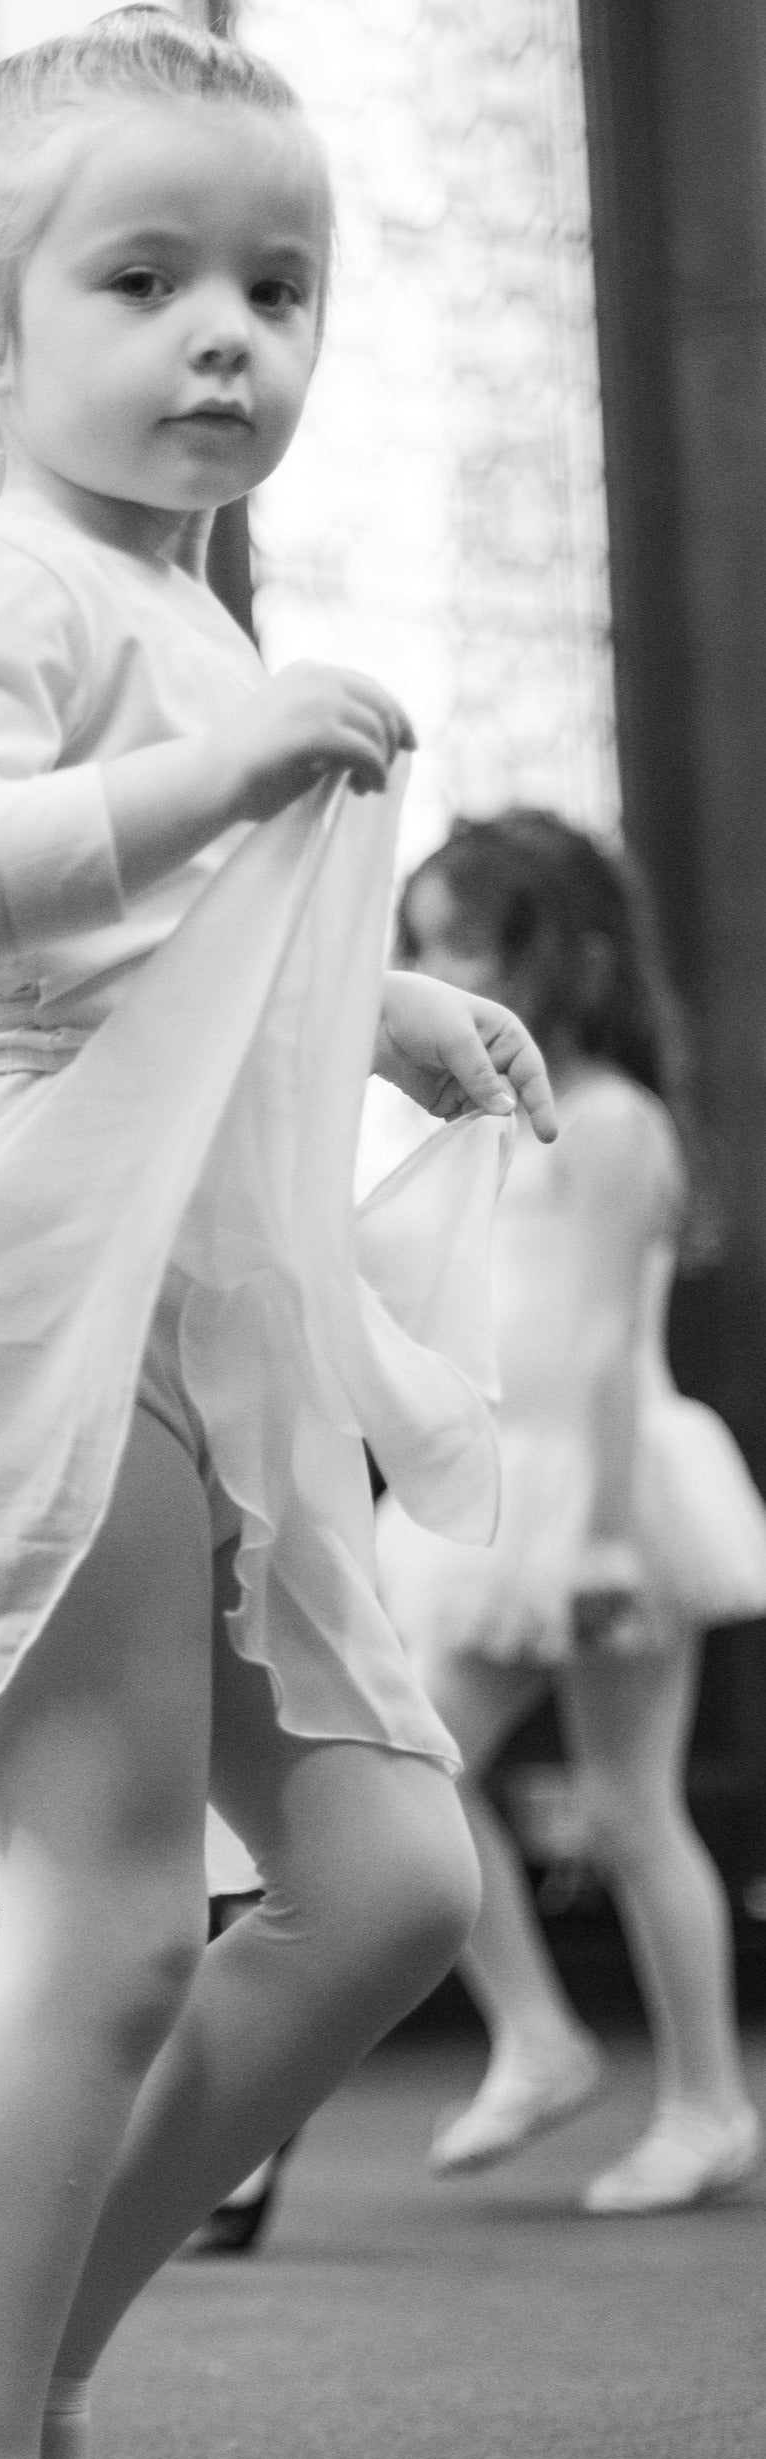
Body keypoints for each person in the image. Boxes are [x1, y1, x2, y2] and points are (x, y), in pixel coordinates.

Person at [0, 12, 553, 2459]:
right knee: (110, 1916)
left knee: (389, 1892)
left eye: (277, 284)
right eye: (146, 280)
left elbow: (174, 959)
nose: (224, 333)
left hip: (202, 1291)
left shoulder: (171, 604)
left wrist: (402, 1010)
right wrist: (218, 773)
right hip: (36, 1287)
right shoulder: (0, 585)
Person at [384, 811, 766, 2212]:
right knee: (414, 1764)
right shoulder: (480, 1122)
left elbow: (605, 1341)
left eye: (463, 945)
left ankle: (707, 2100)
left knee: (623, 1803)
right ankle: (539, 2032)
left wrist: (603, 1533)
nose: (439, 973)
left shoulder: (610, 1122)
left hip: (608, 1488)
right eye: (417, 948)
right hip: (504, 1483)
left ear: (563, 956)